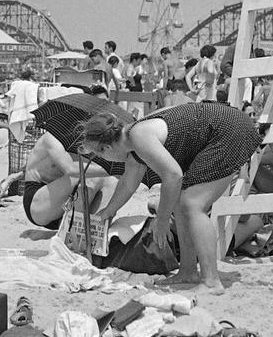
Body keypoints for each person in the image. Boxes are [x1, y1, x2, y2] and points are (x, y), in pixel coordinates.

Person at [84, 101, 259, 293]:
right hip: (224, 128)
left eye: (97, 153)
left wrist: (162, 219)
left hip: (229, 130)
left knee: (192, 204)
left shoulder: (139, 136)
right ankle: (188, 271)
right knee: (180, 203)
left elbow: (174, 176)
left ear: (106, 149)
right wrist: (109, 211)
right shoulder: (133, 145)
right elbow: (128, 183)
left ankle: (211, 281)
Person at [6, 66, 39, 142]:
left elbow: (10, 96)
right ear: (31, 76)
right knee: (31, 125)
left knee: (17, 125)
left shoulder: (16, 84)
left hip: (16, 109)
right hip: (28, 109)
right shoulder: (32, 86)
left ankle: (17, 138)